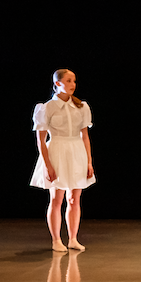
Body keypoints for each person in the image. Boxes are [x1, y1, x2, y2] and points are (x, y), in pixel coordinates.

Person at [30, 69, 95, 252]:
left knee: (74, 198)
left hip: (76, 152)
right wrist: (48, 164)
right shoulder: (47, 107)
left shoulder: (81, 106)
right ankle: (56, 240)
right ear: (58, 83)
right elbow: (41, 140)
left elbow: (85, 137)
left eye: (74, 80)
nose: (73, 84)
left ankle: (73, 238)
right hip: (57, 151)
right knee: (57, 198)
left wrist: (89, 162)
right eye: (68, 80)